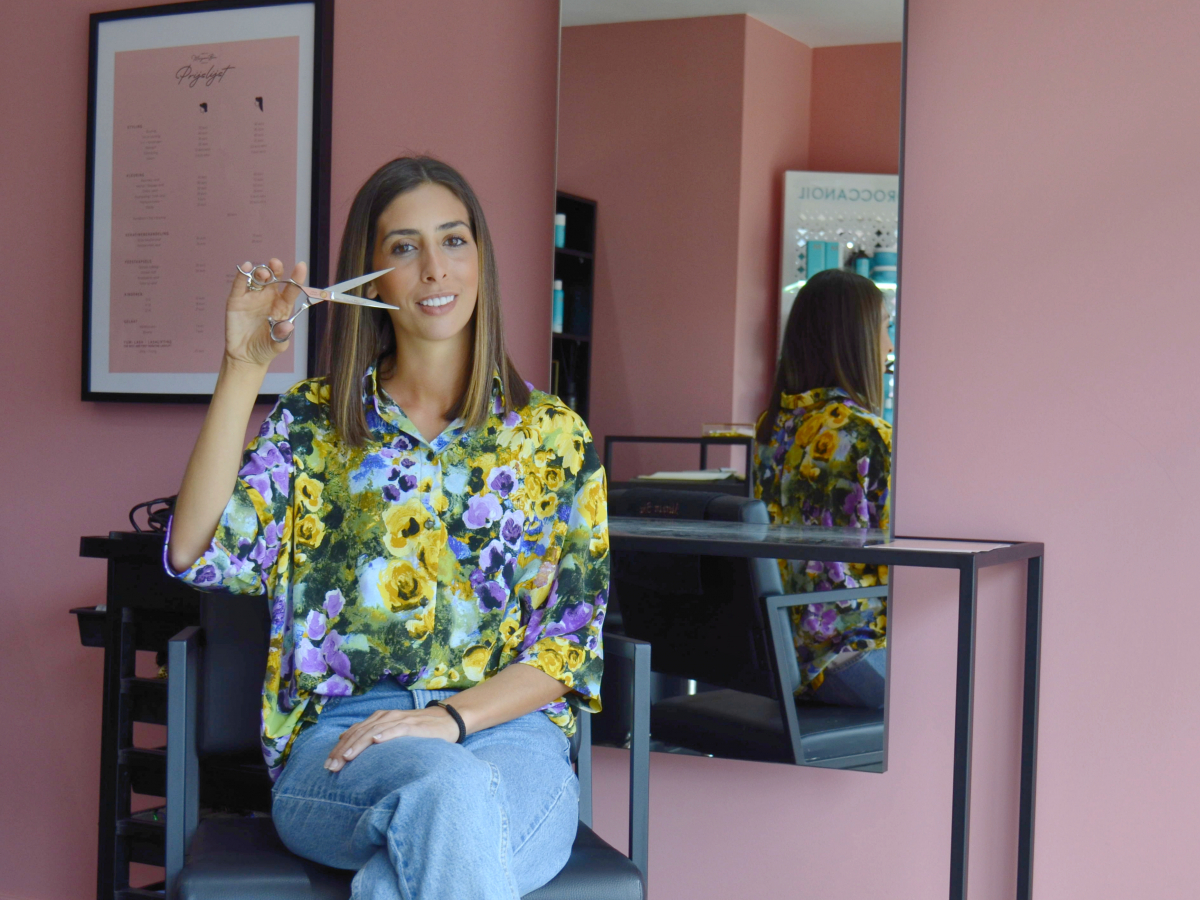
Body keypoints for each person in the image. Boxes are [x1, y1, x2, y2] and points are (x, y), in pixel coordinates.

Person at [165, 156, 608, 899]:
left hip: (512, 737)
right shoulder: (313, 424)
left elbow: (569, 645)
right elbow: (195, 549)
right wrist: (243, 367)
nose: (435, 268)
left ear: (481, 259)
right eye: (405, 247)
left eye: (454, 240)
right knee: (446, 793)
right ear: (368, 282)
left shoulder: (554, 437)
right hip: (345, 744)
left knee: (418, 853)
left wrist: (452, 720)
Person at [753, 268, 893, 709]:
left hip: (784, 654)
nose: (889, 346)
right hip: (848, 655)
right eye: (885, 328)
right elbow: (905, 564)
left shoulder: (772, 429)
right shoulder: (869, 435)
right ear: (855, 339)